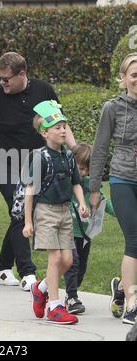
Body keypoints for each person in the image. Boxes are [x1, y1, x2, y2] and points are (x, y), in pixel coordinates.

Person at [0, 52, 76, 291]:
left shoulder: (43, 90)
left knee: (22, 212)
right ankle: (28, 272)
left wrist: (75, 151)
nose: (2, 83)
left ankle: (3, 266)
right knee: (20, 212)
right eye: (0, 78)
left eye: (7, 78)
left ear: (22, 74)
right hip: (4, 163)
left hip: (37, 164)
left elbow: (61, 123)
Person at [23, 100, 87, 324]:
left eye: (64, 126)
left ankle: (40, 289)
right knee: (56, 257)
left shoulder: (69, 157)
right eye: (57, 127)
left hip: (64, 212)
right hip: (45, 212)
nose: (63, 130)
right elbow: (30, 190)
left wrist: (81, 203)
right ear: (44, 133)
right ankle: (55, 306)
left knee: (68, 261)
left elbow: (76, 183)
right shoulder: (41, 157)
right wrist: (28, 221)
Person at [89, 53, 137, 325]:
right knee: (134, 239)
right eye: (134, 74)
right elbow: (99, 150)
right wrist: (94, 188)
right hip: (123, 179)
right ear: (123, 79)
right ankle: (131, 303)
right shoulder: (112, 108)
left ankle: (120, 288)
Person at [63, 143, 116, 314]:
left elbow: (107, 205)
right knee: (73, 262)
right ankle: (71, 297)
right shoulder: (67, 185)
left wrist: (124, 213)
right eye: (80, 168)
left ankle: (69, 292)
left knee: (81, 267)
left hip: (85, 235)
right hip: (68, 231)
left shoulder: (93, 189)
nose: (83, 173)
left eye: (87, 170)